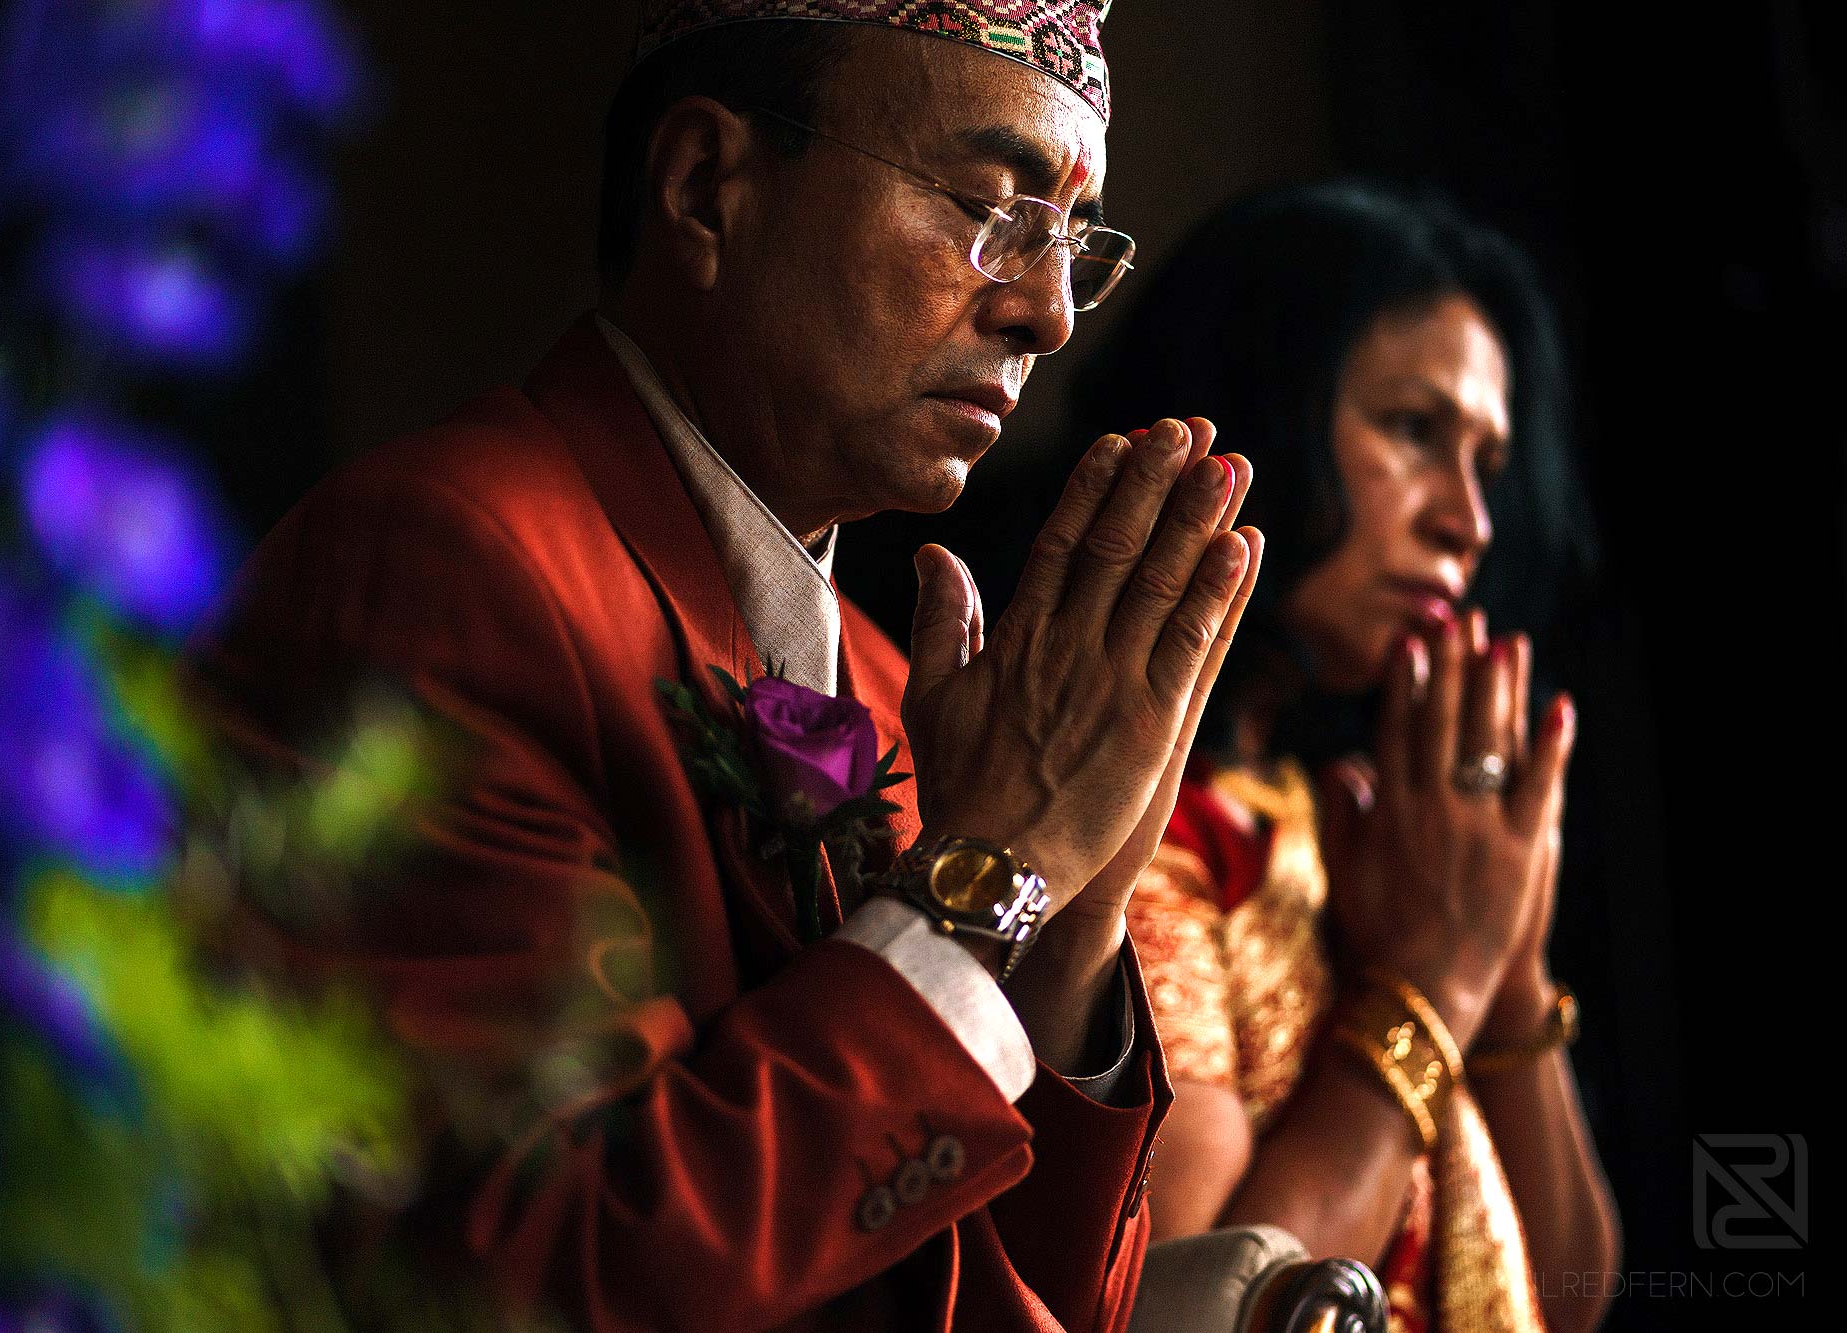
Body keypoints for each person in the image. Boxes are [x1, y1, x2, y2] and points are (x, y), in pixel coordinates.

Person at [183, 5, 1265, 1330]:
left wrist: (1074, 920)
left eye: (1072, 247)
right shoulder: (448, 565)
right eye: (990, 209)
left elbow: (1031, 1304)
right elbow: (539, 1270)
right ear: (707, 188)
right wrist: (999, 862)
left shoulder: (888, 679)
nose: (1043, 314)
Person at [1076, 181, 1621, 1333]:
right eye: (1413, 430)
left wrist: (1506, 964)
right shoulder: (1121, 815)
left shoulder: (1344, 821)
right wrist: (1433, 985)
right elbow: (1205, 1299)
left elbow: (1568, 1294)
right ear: (1252, 411)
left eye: (1487, 460)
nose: (1468, 522)